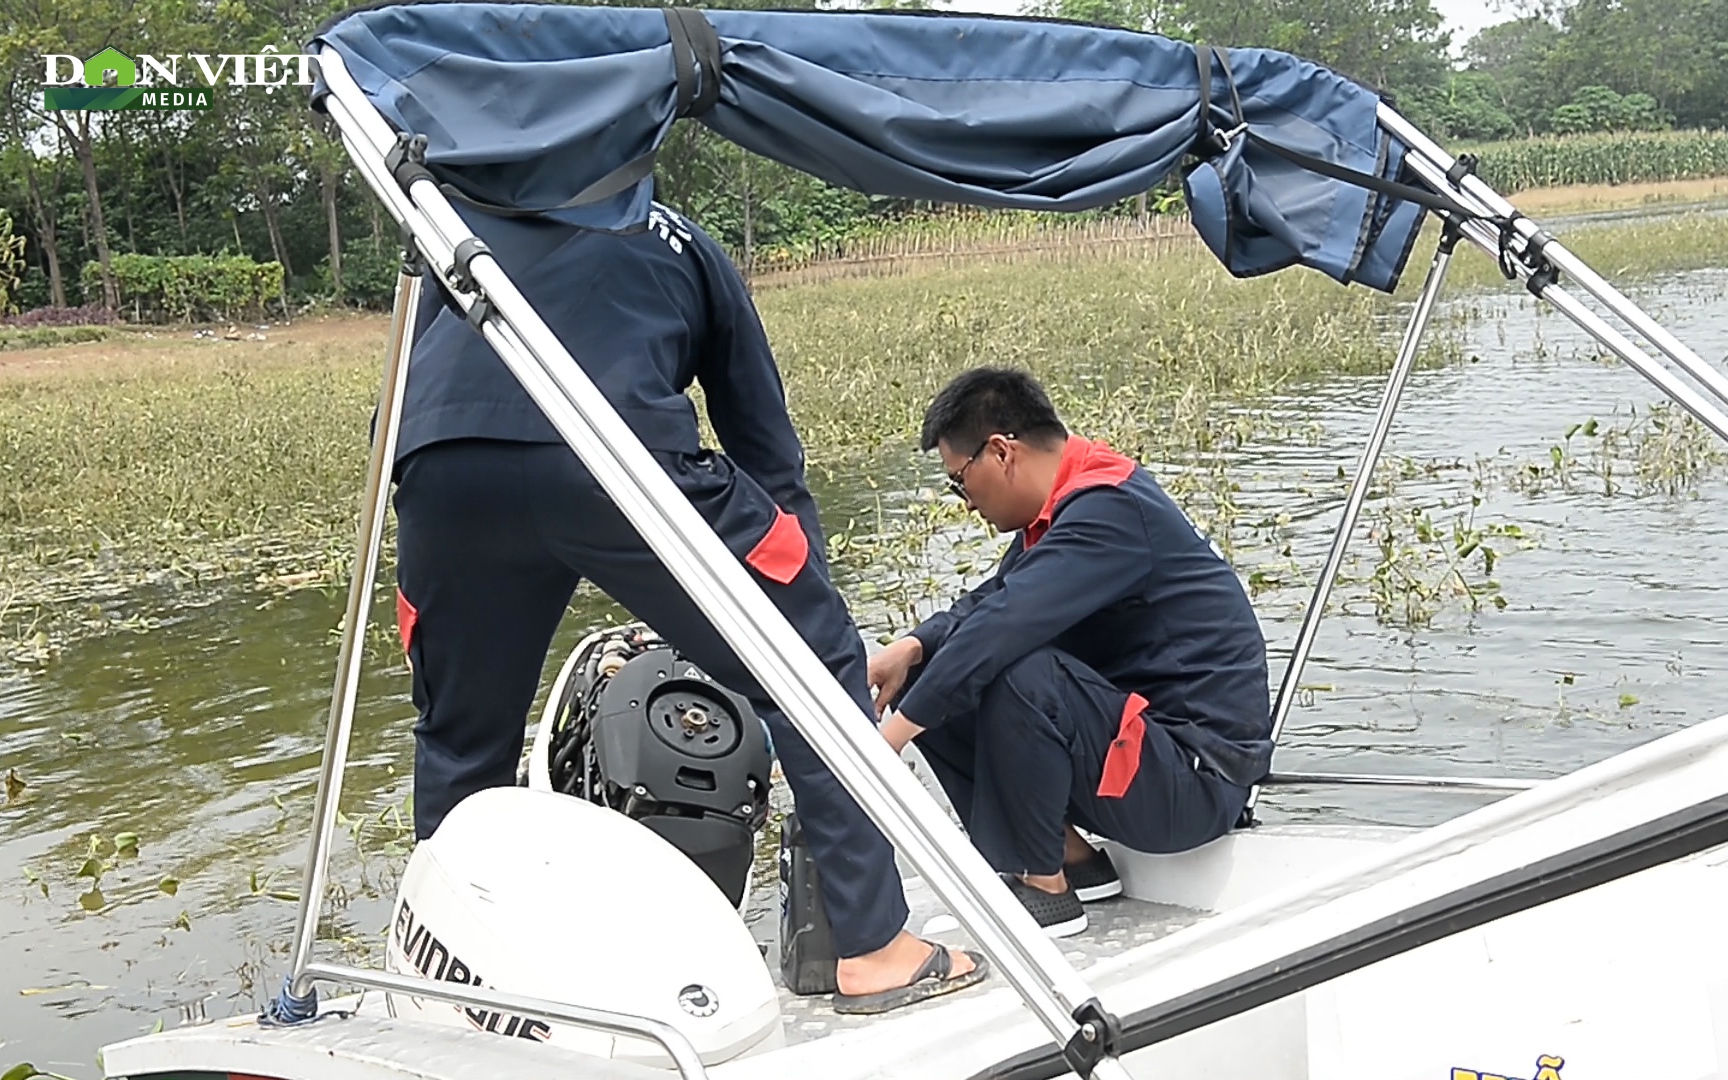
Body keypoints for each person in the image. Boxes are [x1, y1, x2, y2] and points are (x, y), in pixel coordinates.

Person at [389, 199, 985, 1013]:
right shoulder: (682, 241)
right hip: (612, 447)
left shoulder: (460, 221)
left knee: (460, 738)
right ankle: (874, 948)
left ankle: (454, 980)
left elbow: (420, 368)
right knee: (813, 673)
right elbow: (764, 447)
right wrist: (808, 602)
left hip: (443, 470)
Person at [868, 367, 1273, 937]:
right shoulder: (1064, 508)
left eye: (960, 482)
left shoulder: (1108, 510)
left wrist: (884, 746)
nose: (965, 503)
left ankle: (1047, 890)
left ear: (1002, 452)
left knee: (1020, 669)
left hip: (1198, 778)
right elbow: (995, 599)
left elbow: (1004, 625)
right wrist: (911, 647)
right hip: (1143, 763)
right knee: (932, 669)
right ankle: (1074, 862)